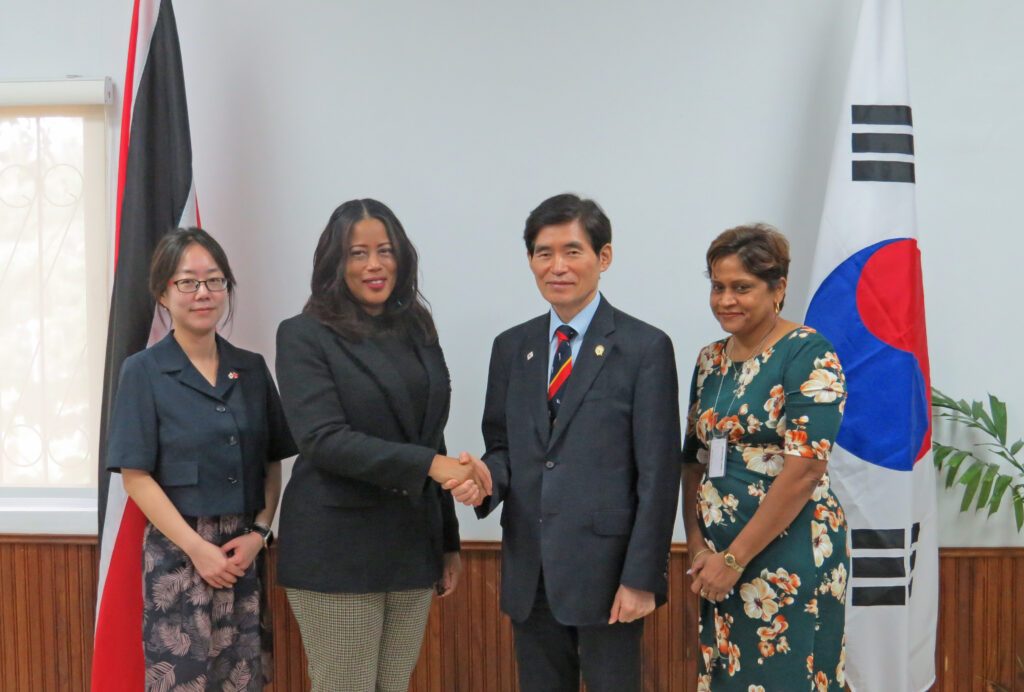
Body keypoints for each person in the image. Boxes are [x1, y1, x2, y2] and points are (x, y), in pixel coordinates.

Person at [459, 193, 681, 692]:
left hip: (610, 575)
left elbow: (659, 473)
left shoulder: (644, 348)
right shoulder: (512, 347)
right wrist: (486, 481)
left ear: (603, 258)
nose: (557, 266)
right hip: (530, 570)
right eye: (543, 253)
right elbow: (503, 446)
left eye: (572, 251)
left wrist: (642, 577)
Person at [274, 198, 491, 692]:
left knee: (392, 686)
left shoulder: (417, 328)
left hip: (412, 542)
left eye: (385, 251)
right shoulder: (304, 335)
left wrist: (448, 541)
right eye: (357, 253)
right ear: (335, 262)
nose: (374, 265)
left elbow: (429, 433)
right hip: (337, 549)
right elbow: (323, 440)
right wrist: (431, 466)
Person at [105, 227, 296, 690]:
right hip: (178, 553)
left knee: (245, 677)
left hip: (243, 551)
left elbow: (272, 462)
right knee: (183, 679)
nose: (203, 293)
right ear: (163, 294)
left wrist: (258, 534)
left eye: (214, 281)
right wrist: (196, 549)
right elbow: (136, 478)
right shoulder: (143, 371)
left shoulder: (250, 367)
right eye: (187, 282)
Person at [681, 223, 849, 690]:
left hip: (789, 554)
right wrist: (698, 548)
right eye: (718, 286)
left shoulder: (809, 353)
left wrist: (734, 560)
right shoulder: (709, 359)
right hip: (718, 561)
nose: (725, 300)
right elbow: (693, 460)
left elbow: (806, 470)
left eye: (742, 288)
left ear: (779, 289)